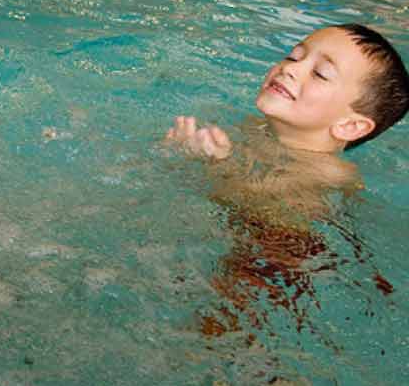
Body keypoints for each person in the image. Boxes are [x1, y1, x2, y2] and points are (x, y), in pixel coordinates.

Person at [165, 24, 409, 336]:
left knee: (219, 333)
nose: (290, 70)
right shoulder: (257, 128)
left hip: (283, 257)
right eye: (293, 57)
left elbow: (260, 208)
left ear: (349, 126)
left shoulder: (327, 172)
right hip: (249, 235)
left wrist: (218, 167)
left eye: (319, 73)